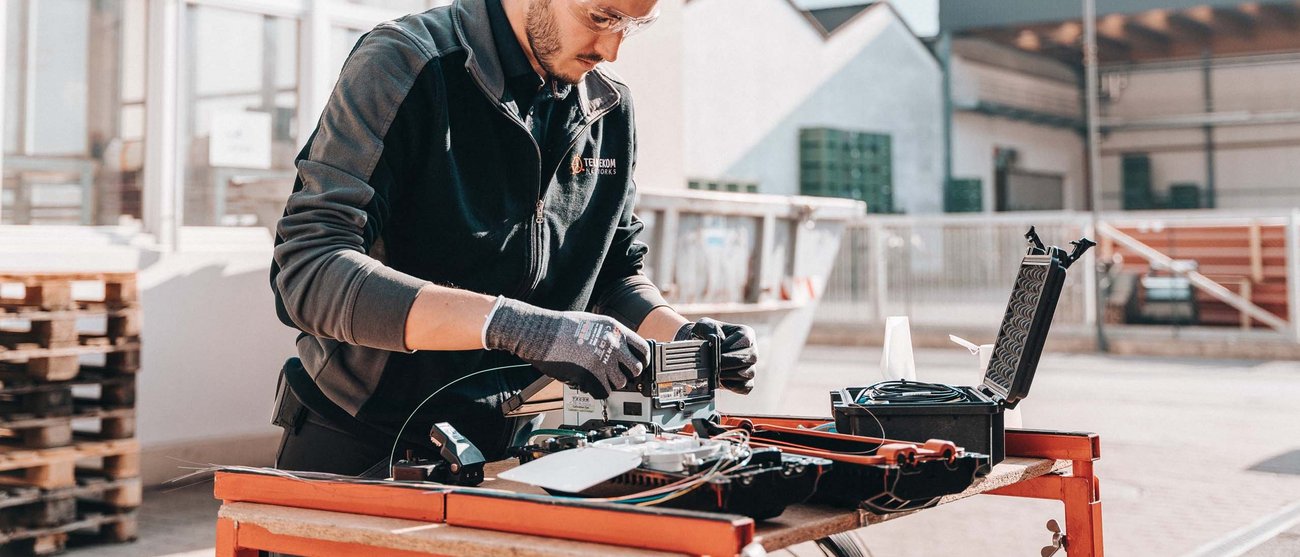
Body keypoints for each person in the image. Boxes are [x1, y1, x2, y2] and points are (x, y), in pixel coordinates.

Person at [269, 0, 757, 476]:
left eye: (632, 26)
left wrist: (683, 339)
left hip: (512, 450)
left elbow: (611, 276)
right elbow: (309, 270)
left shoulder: (609, 108)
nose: (611, 50)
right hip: (360, 444)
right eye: (601, 17)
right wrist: (520, 327)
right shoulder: (405, 62)